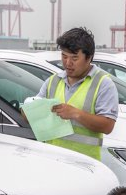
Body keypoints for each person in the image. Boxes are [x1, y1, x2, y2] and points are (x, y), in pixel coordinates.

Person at [36, 27, 119, 161]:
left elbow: (107, 125)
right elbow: (34, 111)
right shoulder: (53, 81)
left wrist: (75, 114)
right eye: (64, 56)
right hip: (52, 160)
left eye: (74, 58)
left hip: (84, 164)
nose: (68, 63)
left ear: (89, 57)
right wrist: (28, 111)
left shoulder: (103, 84)